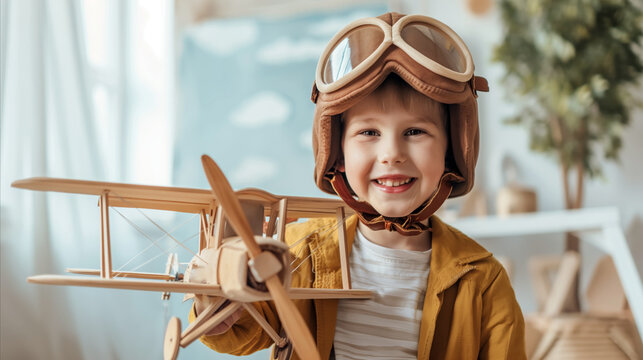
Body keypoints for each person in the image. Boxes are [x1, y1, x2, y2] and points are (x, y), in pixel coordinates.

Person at [190, 12, 526, 359]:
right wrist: (215, 304)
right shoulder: (295, 253)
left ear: (451, 150)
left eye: (415, 132)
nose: (391, 154)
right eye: (369, 132)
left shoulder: (484, 282)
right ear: (337, 152)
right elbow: (237, 336)